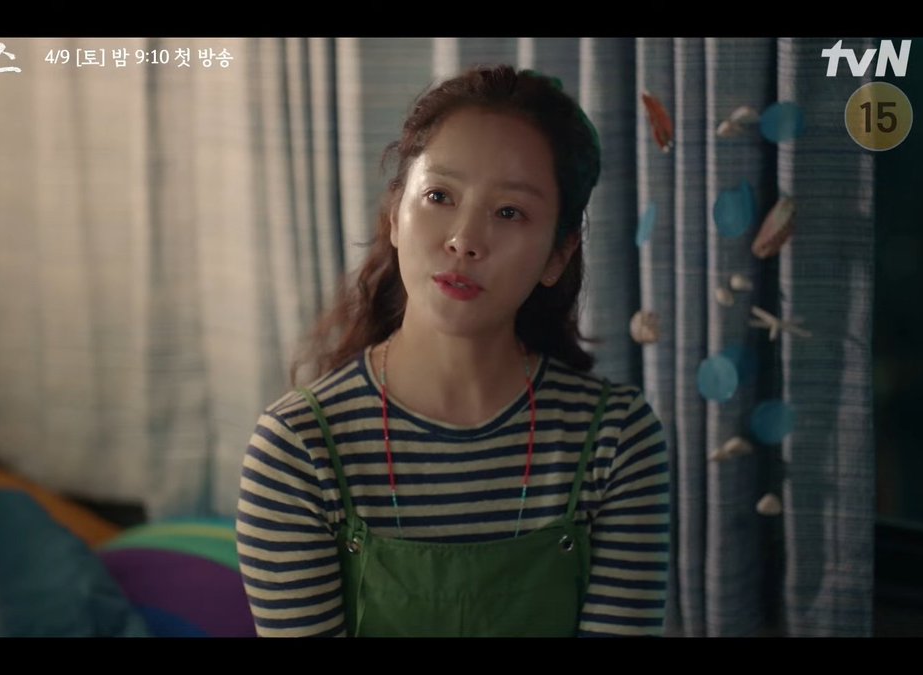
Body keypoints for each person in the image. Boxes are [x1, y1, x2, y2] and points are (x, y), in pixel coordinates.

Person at [235, 64, 670, 637]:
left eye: (509, 212)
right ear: (395, 215)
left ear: (557, 256)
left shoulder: (616, 440)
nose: (464, 240)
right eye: (439, 196)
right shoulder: (297, 449)